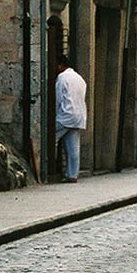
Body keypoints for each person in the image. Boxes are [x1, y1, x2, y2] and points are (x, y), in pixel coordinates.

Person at [55, 54, 87, 183]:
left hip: (65, 115)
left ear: (60, 65)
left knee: (50, 141)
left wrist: (55, 115)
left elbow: (58, 98)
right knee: (73, 148)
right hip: (78, 116)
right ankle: (72, 175)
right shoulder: (79, 78)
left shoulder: (62, 77)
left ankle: (46, 169)